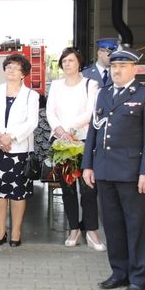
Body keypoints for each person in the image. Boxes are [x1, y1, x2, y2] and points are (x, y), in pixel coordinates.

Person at [82, 45, 145, 290]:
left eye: (122, 66)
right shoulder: (104, 94)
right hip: (105, 170)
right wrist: (87, 165)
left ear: (134, 69)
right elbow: (93, 132)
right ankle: (119, 272)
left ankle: (138, 278)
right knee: (113, 226)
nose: (116, 70)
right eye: (114, 66)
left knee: (135, 226)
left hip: (132, 173)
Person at [46, 47, 105, 251]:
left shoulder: (91, 84)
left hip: (84, 142)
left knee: (89, 189)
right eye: (64, 61)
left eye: (71, 60)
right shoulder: (55, 85)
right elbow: (50, 111)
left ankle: (92, 231)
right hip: (62, 143)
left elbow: (91, 111)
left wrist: (70, 128)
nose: (67, 64)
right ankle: (73, 229)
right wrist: (60, 129)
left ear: (79, 63)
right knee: (68, 189)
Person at [0, 54, 39, 247]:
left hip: (19, 149)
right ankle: (0, 231)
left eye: (16, 68)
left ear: (24, 74)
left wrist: (10, 137)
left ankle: (15, 232)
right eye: (8, 67)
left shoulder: (32, 95)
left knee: (17, 193)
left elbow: (32, 123)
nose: (11, 70)